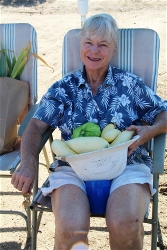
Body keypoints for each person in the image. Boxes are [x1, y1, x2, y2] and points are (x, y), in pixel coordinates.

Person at [11, 13, 167, 249]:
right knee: (69, 229)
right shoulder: (65, 88)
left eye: (103, 44)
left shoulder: (130, 85)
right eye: (88, 43)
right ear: (80, 45)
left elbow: (163, 111)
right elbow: (35, 125)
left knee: (127, 223)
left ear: (113, 49)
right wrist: (27, 161)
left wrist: (151, 131)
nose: (94, 51)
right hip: (72, 168)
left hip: (127, 164)